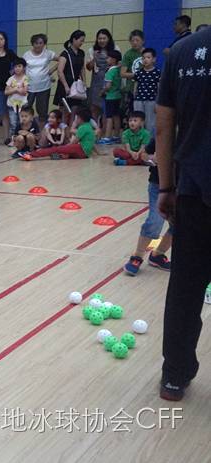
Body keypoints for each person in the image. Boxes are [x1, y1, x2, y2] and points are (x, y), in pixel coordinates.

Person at [156, 27, 211, 401]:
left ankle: (174, 377)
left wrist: (165, 187)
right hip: (193, 190)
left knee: (186, 289)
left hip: (192, 191)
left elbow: (163, 127)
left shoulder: (182, 51)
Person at [123, 139, 172, 276]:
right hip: (158, 185)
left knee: (180, 223)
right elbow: (144, 154)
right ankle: (137, 256)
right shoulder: (164, 134)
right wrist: (152, 158)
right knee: (155, 221)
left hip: (184, 186)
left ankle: (158, 254)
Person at [29, 107, 95, 160]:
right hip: (85, 154)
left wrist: (63, 147)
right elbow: (92, 142)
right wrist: (98, 153)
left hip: (81, 150)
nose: (75, 120)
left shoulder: (82, 128)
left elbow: (74, 142)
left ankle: (31, 154)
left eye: (76, 118)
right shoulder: (89, 126)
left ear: (80, 119)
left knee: (56, 149)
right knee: (63, 154)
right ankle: (57, 156)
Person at [86, 29, 119, 134]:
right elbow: (89, 67)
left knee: (106, 108)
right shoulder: (92, 50)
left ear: (108, 39)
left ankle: (104, 132)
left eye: (104, 38)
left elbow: (119, 64)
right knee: (94, 107)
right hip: (96, 80)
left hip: (109, 80)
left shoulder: (115, 48)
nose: (102, 40)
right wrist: (93, 59)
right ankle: (95, 132)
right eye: (99, 38)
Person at [55, 30, 87, 127]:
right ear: (74, 39)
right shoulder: (65, 53)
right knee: (64, 111)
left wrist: (84, 81)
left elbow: (82, 68)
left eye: (83, 41)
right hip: (65, 84)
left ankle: (71, 132)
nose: (82, 43)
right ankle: (63, 133)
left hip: (76, 84)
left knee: (74, 110)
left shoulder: (81, 53)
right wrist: (65, 86)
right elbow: (60, 71)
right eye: (80, 40)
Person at [23, 33, 57, 124]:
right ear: (32, 44)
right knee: (26, 108)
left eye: (41, 43)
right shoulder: (26, 55)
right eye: (36, 43)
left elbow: (62, 59)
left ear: (44, 44)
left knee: (42, 111)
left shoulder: (48, 53)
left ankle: (42, 133)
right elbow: (21, 68)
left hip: (44, 86)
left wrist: (52, 70)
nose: (38, 45)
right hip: (29, 87)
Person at [133, 48, 160, 136]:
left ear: (154, 59)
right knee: (138, 120)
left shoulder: (157, 72)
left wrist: (158, 102)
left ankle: (150, 142)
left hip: (151, 100)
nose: (145, 60)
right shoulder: (139, 72)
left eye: (148, 57)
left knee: (150, 122)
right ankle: (138, 139)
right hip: (139, 99)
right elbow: (136, 85)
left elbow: (159, 87)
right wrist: (135, 96)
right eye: (143, 58)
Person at [120, 30, 145, 123]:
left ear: (143, 41)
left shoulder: (147, 53)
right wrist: (138, 75)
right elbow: (123, 73)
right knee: (133, 113)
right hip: (132, 88)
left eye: (137, 40)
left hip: (146, 88)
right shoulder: (128, 54)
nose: (134, 43)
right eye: (132, 40)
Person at [99, 50, 123, 144]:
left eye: (108, 58)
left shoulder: (110, 71)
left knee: (109, 117)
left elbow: (108, 86)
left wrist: (102, 91)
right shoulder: (118, 70)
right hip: (117, 95)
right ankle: (116, 135)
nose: (107, 59)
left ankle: (107, 137)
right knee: (116, 115)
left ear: (113, 60)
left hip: (110, 97)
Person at [4, 57, 29, 144]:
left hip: (22, 105)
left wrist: (14, 89)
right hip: (12, 105)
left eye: (19, 66)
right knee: (13, 123)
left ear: (24, 68)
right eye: (15, 67)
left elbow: (24, 92)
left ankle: (22, 140)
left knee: (22, 123)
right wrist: (16, 90)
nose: (17, 68)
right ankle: (13, 140)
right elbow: (6, 91)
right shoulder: (10, 79)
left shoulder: (25, 78)